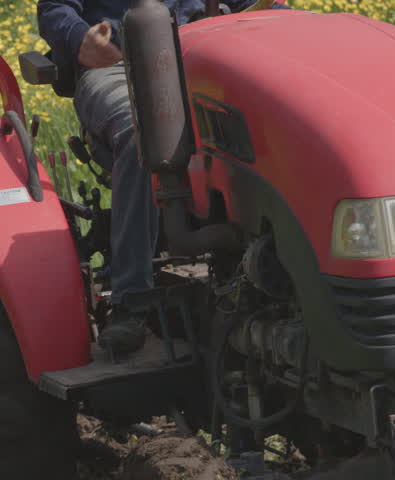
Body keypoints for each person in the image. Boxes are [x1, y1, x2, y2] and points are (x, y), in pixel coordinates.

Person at [37, 0, 266, 355]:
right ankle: (131, 299)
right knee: (140, 128)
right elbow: (55, 8)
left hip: (212, 49)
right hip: (120, 62)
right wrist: (81, 37)